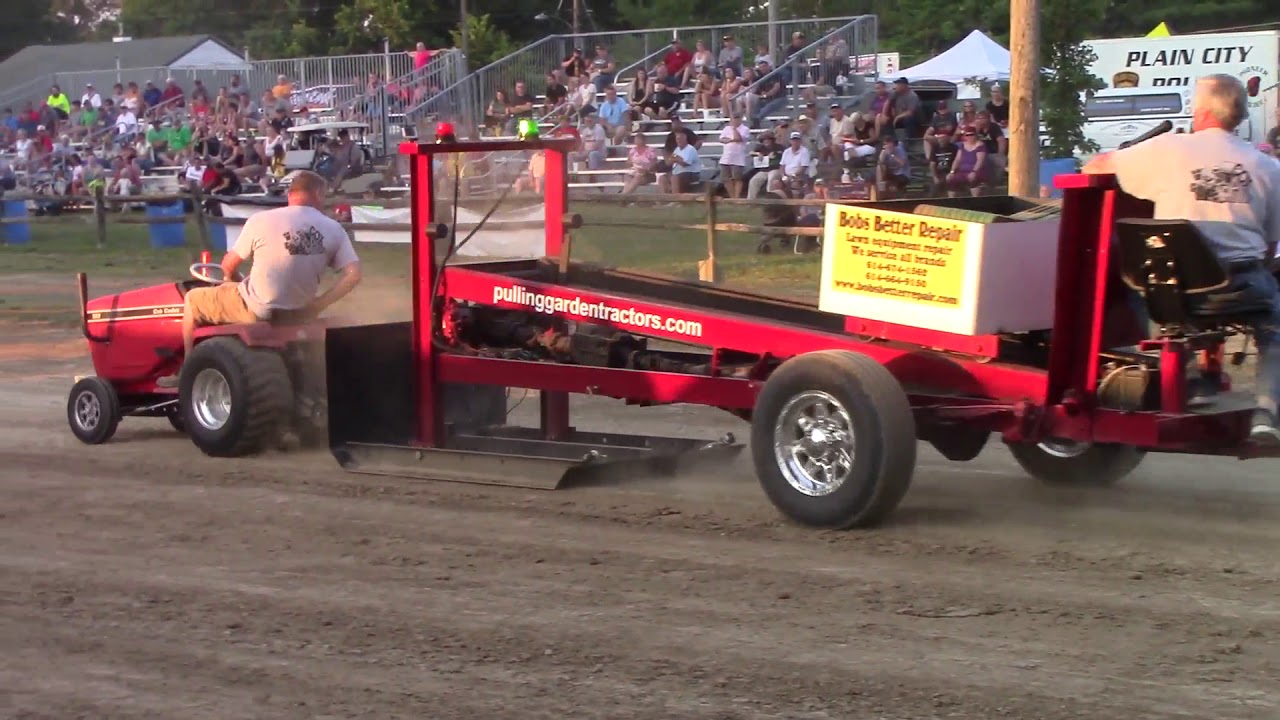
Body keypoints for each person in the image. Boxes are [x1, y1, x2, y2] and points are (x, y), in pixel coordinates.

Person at [1083, 74, 1280, 444]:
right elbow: (1270, 248)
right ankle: (1266, 414)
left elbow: (1096, 166)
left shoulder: (1166, 149)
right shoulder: (1267, 166)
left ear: (1199, 110)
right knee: (1274, 329)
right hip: (1241, 288)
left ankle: (1189, 376)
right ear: (1238, 114)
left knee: (1138, 281)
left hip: (1171, 290)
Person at [160, 171, 362, 386]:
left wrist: (234, 279)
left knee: (192, 299)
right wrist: (320, 304)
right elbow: (354, 274)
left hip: (259, 309)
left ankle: (188, 372)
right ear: (318, 194)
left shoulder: (262, 220)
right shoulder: (333, 228)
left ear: (290, 194)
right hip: (300, 311)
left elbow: (228, 265)